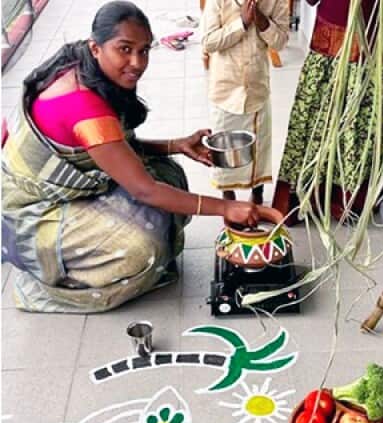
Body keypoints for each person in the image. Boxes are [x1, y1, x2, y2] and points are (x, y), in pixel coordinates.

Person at [1, 1, 281, 313]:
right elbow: (143, 189)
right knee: (142, 249)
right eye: (125, 49)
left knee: (169, 174)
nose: (137, 62)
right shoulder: (83, 106)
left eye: (144, 50)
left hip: (72, 192)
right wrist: (227, 207)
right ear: (96, 48)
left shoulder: (86, 64)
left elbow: (114, 149)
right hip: (34, 213)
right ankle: (46, 289)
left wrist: (177, 144)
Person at [272, 0, 383, 223]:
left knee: (354, 125)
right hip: (327, 44)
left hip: (365, 45)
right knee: (312, 121)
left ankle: (344, 201)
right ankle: (304, 195)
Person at [201, 0, 290, 206]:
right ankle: (228, 197)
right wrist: (241, 22)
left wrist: (262, 21)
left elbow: (280, 42)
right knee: (224, 147)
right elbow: (208, 41)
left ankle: (257, 194)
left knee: (258, 146)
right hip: (225, 89)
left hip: (256, 89)